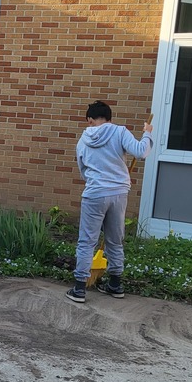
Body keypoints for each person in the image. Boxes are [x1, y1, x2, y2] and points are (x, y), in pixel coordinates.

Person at [66, 100, 154, 303]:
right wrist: (147, 132)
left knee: (87, 241)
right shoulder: (120, 132)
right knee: (115, 240)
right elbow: (141, 151)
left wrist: (95, 182)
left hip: (95, 193)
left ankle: (79, 288)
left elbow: (83, 169)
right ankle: (115, 284)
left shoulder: (83, 140)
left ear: (89, 119)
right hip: (118, 193)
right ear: (109, 117)